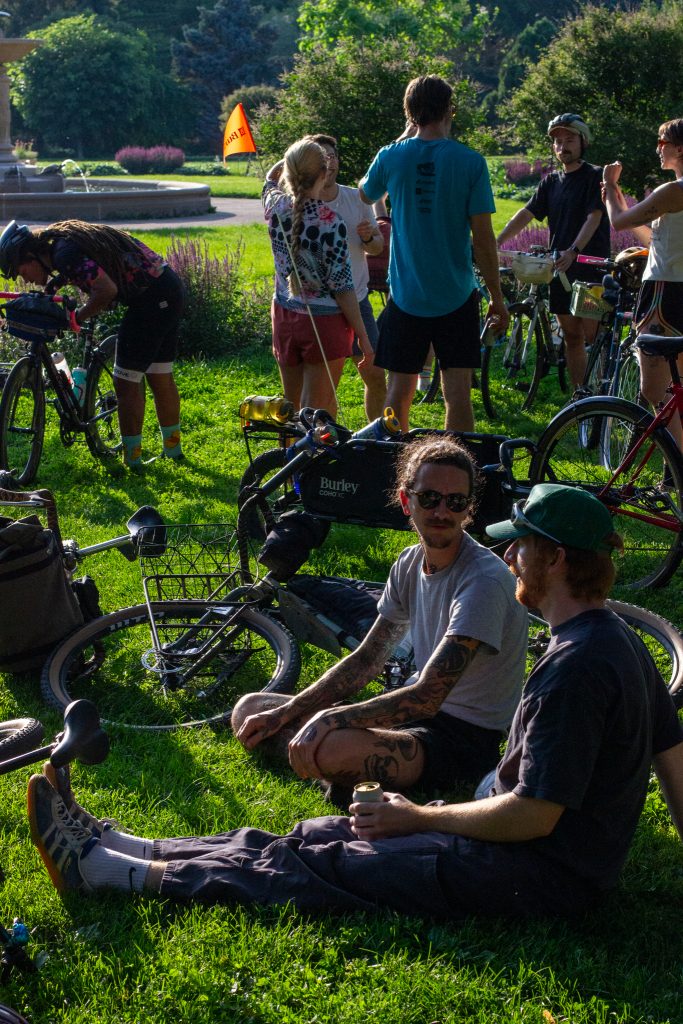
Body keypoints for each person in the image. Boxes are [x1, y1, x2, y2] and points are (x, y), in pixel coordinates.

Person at [27, 484, 683, 919]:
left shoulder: (576, 667)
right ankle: (137, 847)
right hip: (542, 860)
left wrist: (421, 817)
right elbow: (672, 758)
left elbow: (533, 818)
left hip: (538, 875)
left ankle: (113, 875)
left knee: (328, 862)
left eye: (521, 545)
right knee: (315, 832)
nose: (509, 556)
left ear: (556, 559)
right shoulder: (618, 640)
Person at [232, 434, 528, 799]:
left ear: (469, 508)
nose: (442, 512)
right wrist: (290, 711)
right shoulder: (408, 563)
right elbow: (368, 659)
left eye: (456, 502)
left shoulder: (483, 580)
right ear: (406, 500)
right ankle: (336, 770)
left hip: (460, 737)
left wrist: (328, 719)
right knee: (251, 708)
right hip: (406, 712)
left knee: (333, 747)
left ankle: (331, 764)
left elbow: (427, 698)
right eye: (430, 498)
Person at [358, 75, 509, 433]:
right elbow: (484, 240)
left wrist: (402, 138)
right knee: (457, 394)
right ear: (450, 110)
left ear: (410, 114)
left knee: (398, 391)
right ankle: (457, 474)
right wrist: (497, 298)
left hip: (407, 295)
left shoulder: (391, 156)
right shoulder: (471, 162)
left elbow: (365, 193)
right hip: (456, 294)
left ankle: (396, 468)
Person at [0, 219, 185, 468]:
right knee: (159, 374)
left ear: (32, 256)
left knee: (125, 380)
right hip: (167, 288)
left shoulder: (65, 253)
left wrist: (76, 318)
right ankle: (173, 451)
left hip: (150, 301)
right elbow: (87, 268)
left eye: (23, 273)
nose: (28, 280)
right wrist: (56, 285)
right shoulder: (62, 247)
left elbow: (105, 290)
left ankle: (133, 460)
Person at [496, 113, 610, 389]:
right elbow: (526, 214)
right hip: (560, 270)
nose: (562, 146)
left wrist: (573, 250)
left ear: (583, 141)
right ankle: (580, 395)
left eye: (569, 140)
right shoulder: (551, 182)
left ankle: (605, 392)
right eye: (557, 141)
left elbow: (593, 217)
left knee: (594, 336)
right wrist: (497, 242)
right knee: (571, 336)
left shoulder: (595, 176)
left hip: (590, 266)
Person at [262, 137, 372, 418]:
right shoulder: (330, 221)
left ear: (289, 172)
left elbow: (269, 181)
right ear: (324, 174)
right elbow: (343, 288)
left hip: (285, 315)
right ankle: (312, 462)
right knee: (317, 413)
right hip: (325, 323)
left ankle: (285, 459)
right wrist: (364, 338)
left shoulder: (274, 206)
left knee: (290, 407)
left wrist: (289, 162)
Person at [603, 118, 683, 448]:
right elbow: (656, 238)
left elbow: (619, 221)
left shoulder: (674, 191)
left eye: (662, 143)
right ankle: (672, 475)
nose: (657, 149)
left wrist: (609, 188)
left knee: (654, 388)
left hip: (665, 293)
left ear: (679, 148)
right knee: (676, 388)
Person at [309, 133, 387, 420]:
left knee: (376, 375)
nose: (328, 163)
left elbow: (378, 247)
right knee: (324, 387)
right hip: (319, 308)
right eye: (322, 157)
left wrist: (369, 239)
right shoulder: (300, 203)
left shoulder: (356, 199)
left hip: (358, 299)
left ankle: (376, 438)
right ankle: (324, 444)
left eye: (332, 157)